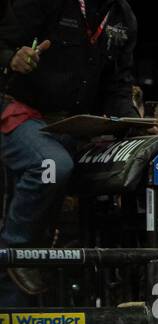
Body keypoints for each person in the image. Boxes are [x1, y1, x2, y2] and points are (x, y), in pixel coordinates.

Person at [0, 0, 144, 296]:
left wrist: (133, 122)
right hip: (20, 111)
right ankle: (15, 252)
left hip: (73, 125)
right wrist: (11, 58)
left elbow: (118, 84)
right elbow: (4, 44)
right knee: (52, 165)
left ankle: (120, 280)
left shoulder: (122, 15)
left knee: (137, 160)